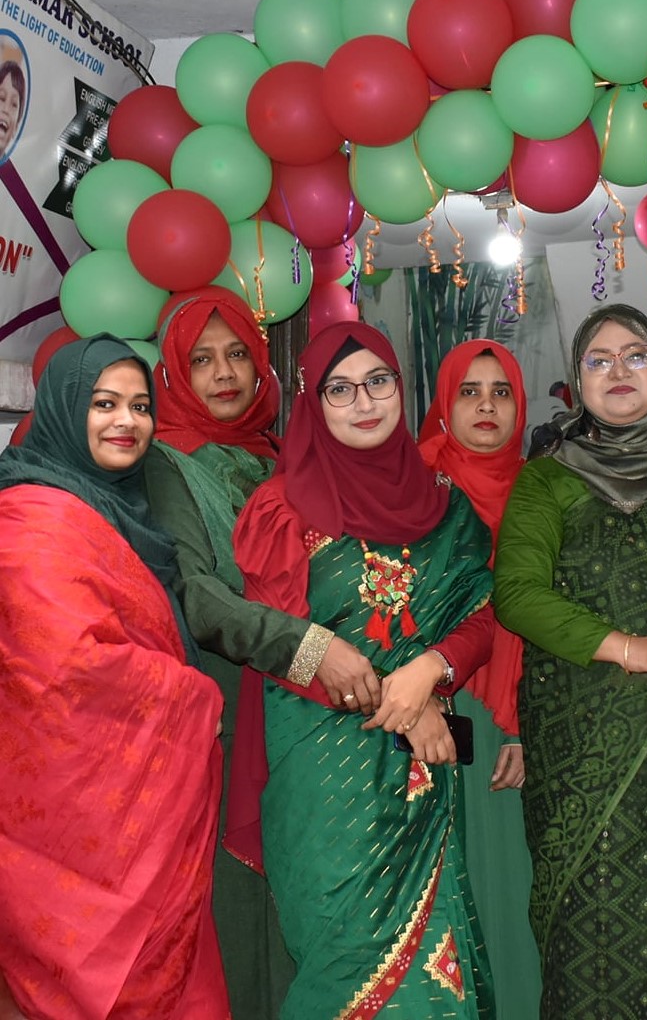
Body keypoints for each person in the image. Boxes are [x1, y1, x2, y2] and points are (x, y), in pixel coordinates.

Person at [229, 322, 498, 1017]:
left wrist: (432, 671)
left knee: (434, 971)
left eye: (378, 382)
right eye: (340, 390)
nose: (364, 402)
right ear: (313, 404)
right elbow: (280, 643)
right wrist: (406, 704)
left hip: (418, 774)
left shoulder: (447, 506)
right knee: (340, 959)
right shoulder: (281, 508)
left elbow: (482, 613)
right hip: (322, 775)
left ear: (401, 389)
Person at [142, 287, 379, 1019]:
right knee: (244, 918)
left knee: (317, 906)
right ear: (174, 374)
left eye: (237, 354)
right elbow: (196, 595)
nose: (224, 373)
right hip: (232, 714)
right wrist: (309, 649)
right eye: (201, 359)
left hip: (313, 721)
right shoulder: (164, 463)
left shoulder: (284, 457)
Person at [494, 303, 647, 1019]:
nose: (618, 370)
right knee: (586, 931)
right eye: (598, 360)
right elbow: (517, 594)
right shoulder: (548, 479)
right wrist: (632, 648)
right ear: (577, 380)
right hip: (580, 740)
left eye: (635, 355)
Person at [0, 336, 228, 1019]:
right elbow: (68, 669)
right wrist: (194, 696)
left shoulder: (121, 510)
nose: (126, 421)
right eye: (103, 404)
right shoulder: (32, 520)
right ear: (64, 409)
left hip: (142, 819)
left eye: (139, 406)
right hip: (64, 834)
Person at [418, 338, 541, 1018]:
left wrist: (519, 724)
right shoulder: (412, 485)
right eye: (470, 391)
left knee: (502, 880)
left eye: (501, 392)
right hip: (419, 711)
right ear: (445, 402)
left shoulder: (542, 490)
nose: (486, 406)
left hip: (503, 718)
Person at [0, 59, 24, 160]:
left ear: (16, 128)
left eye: (14, 104)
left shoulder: (12, 170)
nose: (6, 109)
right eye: (1, 98)